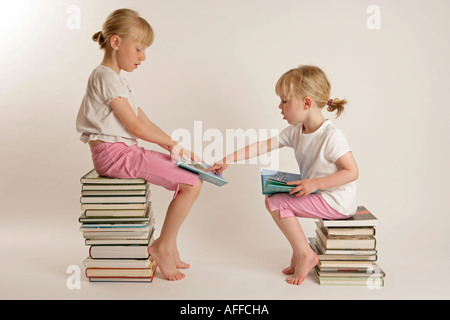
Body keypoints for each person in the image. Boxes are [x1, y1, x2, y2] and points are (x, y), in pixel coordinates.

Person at [76, 8, 203, 281]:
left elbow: (143, 120)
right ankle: (163, 247)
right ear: (116, 42)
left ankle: (170, 245)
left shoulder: (118, 81)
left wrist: (175, 147)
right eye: (139, 49)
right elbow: (135, 127)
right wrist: (170, 145)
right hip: (113, 155)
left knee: (190, 177)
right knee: (192, 183)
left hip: (123, 152)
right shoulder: (105, 77)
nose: (143, 56)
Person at [207, 65, 359, 286]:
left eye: (285, 101)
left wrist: (315, 183)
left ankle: (305, 254)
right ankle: (299, 253)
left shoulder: (331, 136)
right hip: (320, 193)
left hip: (337, 201)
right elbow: (262, 146)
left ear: (307, 103)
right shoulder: (296, 131)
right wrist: (228, 159)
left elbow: (351, 172)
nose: (280, 106)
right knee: (274, 197)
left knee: (277, 202)